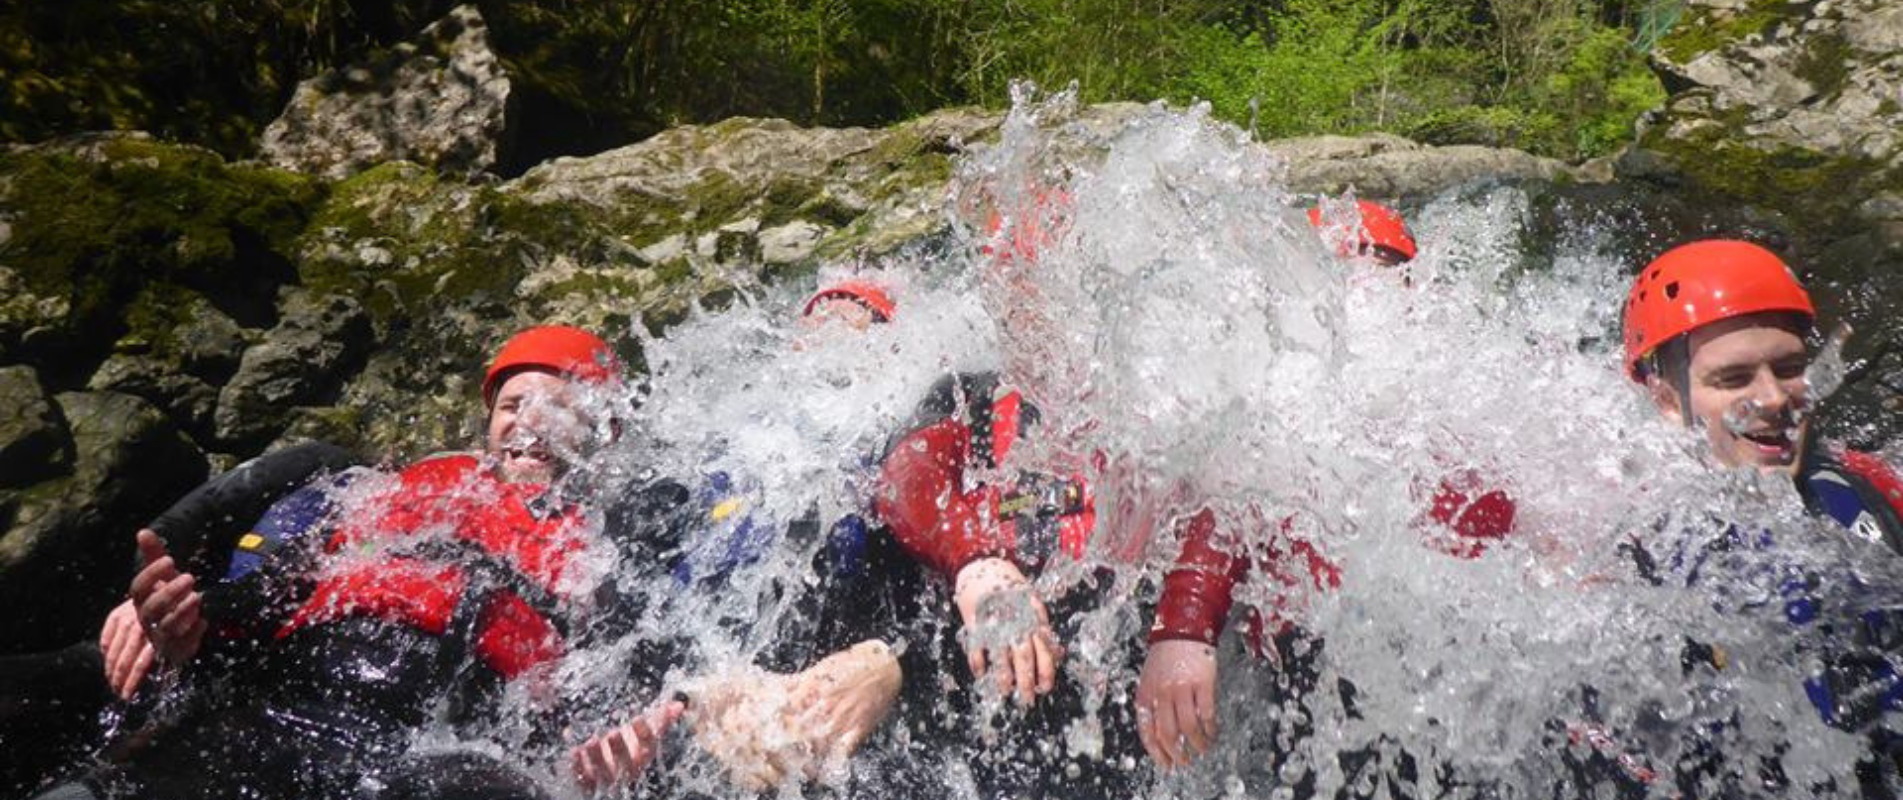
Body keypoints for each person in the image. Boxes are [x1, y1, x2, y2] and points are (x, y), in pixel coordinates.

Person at [35, 326, 687, 800]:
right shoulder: (382, 489)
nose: (528, 423)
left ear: (605, 434)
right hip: (290, 693)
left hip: (455, 740)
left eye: (560, 408)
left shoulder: (609, 537)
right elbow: (286, 586)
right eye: (513, 405)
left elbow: (638, 653)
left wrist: (630, 736)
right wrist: (192, 620)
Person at [1131, 200, 1518, 795]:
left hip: (1447, 660)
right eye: (1343, 276)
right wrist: (1182, 630)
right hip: (1308, 661)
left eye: (1380, 276)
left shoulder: (1459, 397)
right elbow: (1231, 502)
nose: (1362, 297)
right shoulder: (1275, 399)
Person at [1620, 239, 1903, 794]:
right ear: (1668, 402)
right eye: (1733, 379)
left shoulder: (1864, 487)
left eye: (1790, 368)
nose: (1774, 398)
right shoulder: (1640, 548)